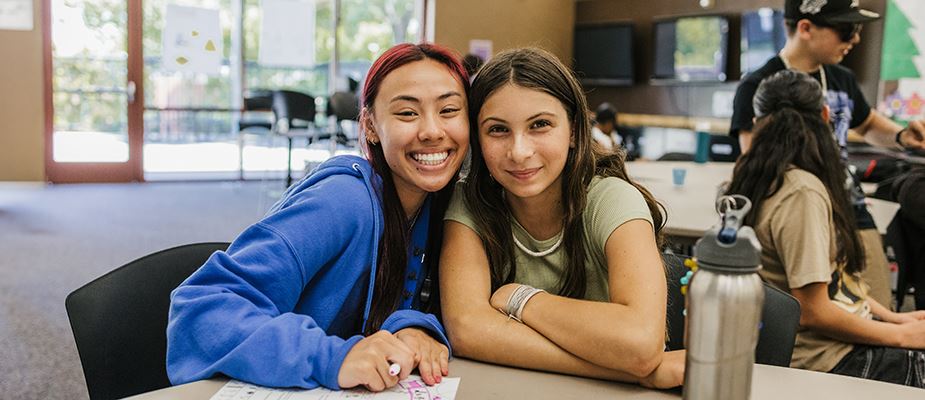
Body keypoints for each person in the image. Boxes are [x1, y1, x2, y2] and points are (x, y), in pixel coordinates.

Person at [166, 43, 471, 391]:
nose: (432, 131)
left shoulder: (446, 207)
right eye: (407, 113)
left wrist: (411, 325)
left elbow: (399, 300)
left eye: (449, 110)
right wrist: (331, 357)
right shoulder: (342, 201)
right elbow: (201, 310)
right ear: (370, 126)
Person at [439, 47, 684, 389]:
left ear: (573, 130)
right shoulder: (471, 202)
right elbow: (467, 330)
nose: (520, 151)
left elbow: (641, 343)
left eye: (540, 125)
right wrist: (627, 370)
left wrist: (520, 298)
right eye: (498, 130)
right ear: (477, 139)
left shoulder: (611, 200)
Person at [727, 70, 925, 387]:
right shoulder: (801, 192)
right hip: (825, 358)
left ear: (756, 121)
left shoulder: (752, 178)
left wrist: (894, 318)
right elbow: (812, 310)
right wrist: (901, 335)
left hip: (817, 347)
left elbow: (834, 282)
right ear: (825, 115)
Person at [729, 0, 925, 307]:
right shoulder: (759, 86)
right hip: (799, 216)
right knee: (818, 309)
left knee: (874, 305)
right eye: (846, 30)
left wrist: (901, 136)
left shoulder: (842, 78)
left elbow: (867, 123)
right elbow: (756, 160)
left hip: (851, 211)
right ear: (805, 28)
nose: (855, 39)